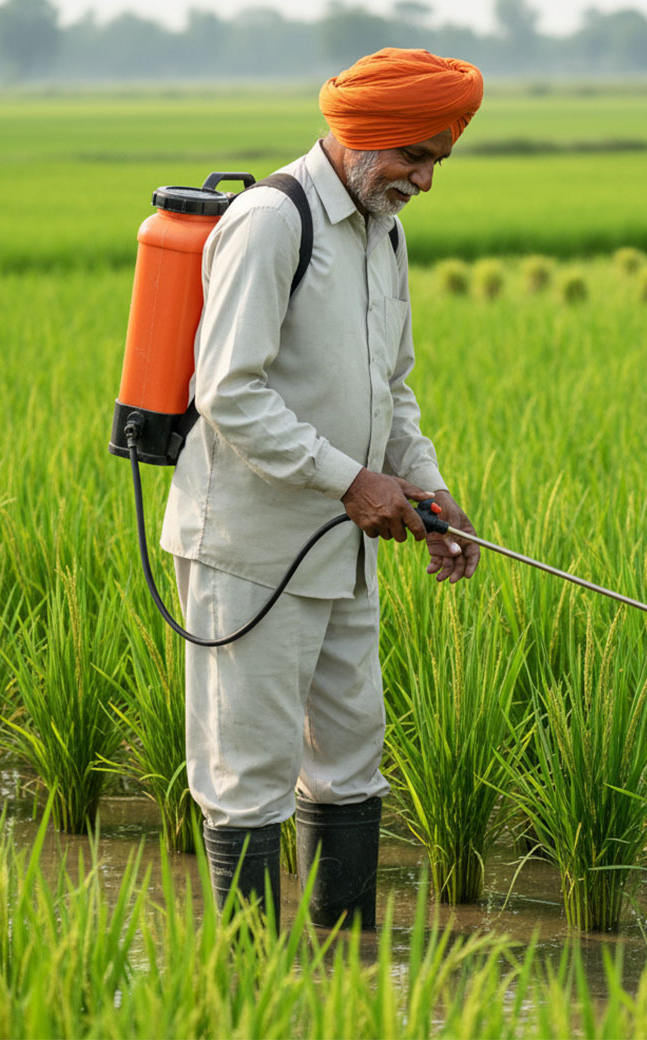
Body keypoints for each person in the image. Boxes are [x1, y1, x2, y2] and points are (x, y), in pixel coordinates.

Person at [160, 48, 483, 930]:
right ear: (366, 134)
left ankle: (346, 972)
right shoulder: (273, 220)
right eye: (415, 155)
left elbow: (393, 386)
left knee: (350, 757)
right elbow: (228, 390)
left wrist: (428, 492)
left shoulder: (384, 228)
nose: (424, 178)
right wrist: (350, 482)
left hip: (345, 547)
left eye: (437, 161)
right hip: (253, 549)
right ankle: (254, 987)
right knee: (248, 774)